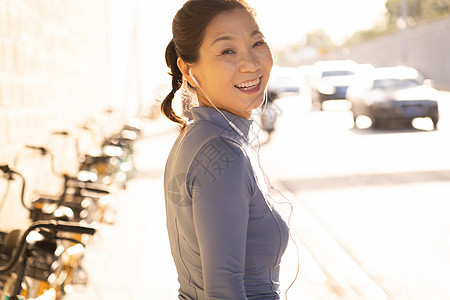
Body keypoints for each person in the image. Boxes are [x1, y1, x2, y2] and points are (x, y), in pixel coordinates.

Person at [161, 0, 289, 299]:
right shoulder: (223, 153)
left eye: (257, 43)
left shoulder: (195, 136)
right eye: (227, 51)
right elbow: (223, 292)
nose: (251, 64)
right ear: (190, 71)